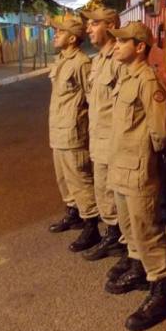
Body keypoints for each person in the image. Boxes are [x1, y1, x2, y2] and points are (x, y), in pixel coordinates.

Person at [105, 21, 166, 331]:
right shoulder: (126, 76)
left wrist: (149, 160)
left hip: (138, 170)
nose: (116, 46)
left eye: (123, 42)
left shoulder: (147, 81)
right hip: (120, 166)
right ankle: (140, 271)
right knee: (130, 226)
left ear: (140, 47)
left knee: (147, 231)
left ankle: (160, 294)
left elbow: (161, 131)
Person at [47, 18, 100, 252]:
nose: (55, 35)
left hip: (73, 132)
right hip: (57, 130)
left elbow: (92, 99)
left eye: (60, 32)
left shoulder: (81, 63)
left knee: (80, 179)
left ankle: (91, 225)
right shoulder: (61, 60)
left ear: (72, 38)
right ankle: (74, 213)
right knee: (64, 178)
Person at [79, 7, 127, 262]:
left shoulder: (119, 59)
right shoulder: (97, 61)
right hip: (98, 137)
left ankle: (123, 244)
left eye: (94, 24)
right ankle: (112, 235)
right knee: (102, 190)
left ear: (110, 26)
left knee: (116, 194)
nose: (88, 29)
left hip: (113, 141)